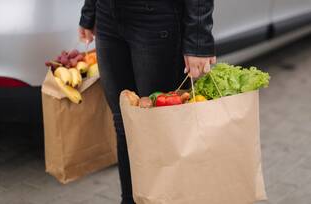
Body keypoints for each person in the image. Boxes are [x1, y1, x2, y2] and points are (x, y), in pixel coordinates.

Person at [79, 0, 216, 203]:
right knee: (124, 122)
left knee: (158, 126)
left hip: (155, 19)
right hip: (107, 14)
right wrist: (89, 12)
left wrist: (198, 41)